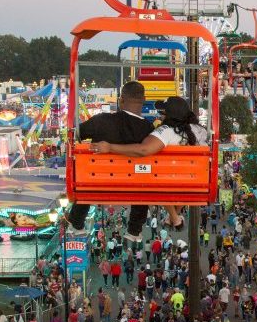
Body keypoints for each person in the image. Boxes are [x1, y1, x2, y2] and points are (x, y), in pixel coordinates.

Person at [92, 96, 210, 228]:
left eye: (162, 113)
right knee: (171, 175)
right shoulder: (200, 130)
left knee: (152, 170)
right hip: (196, 180)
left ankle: (174, 217)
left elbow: (143, 150)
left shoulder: (167, 131)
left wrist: (110, 147)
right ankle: (174, 216)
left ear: (169, 115)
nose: (161, 117)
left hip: (169, 181)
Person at [75, 81, 154, 239]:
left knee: (85, 174)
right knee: (145, 178)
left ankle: (76, 222)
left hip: (99, 179)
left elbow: (77, 135)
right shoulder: (149, 129)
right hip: (136, 183)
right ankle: (134, 229)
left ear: (121, 100)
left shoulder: (102, 120)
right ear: (143, 100)